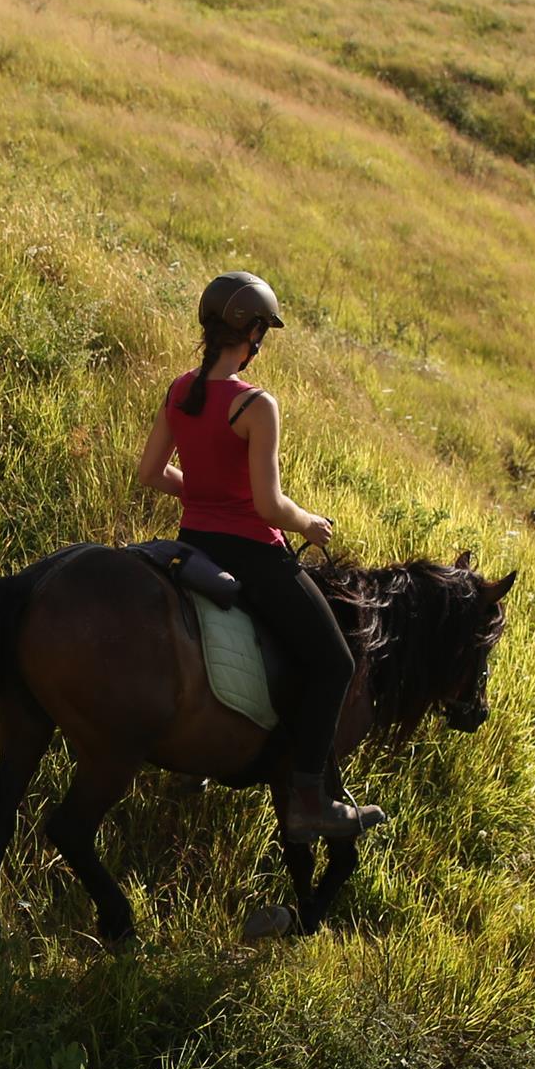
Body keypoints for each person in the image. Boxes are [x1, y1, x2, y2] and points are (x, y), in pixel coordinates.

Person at [135, 273, 386, 840]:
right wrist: (311, 524)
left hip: (192, 544)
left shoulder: (179, 390)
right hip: (252, 554)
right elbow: (270, 507)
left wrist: (198, 492)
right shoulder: (254, 404)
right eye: (260, 332)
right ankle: (307, 801)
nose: (259, 342)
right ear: (250, 333)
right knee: (334, 664)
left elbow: (150, 473)